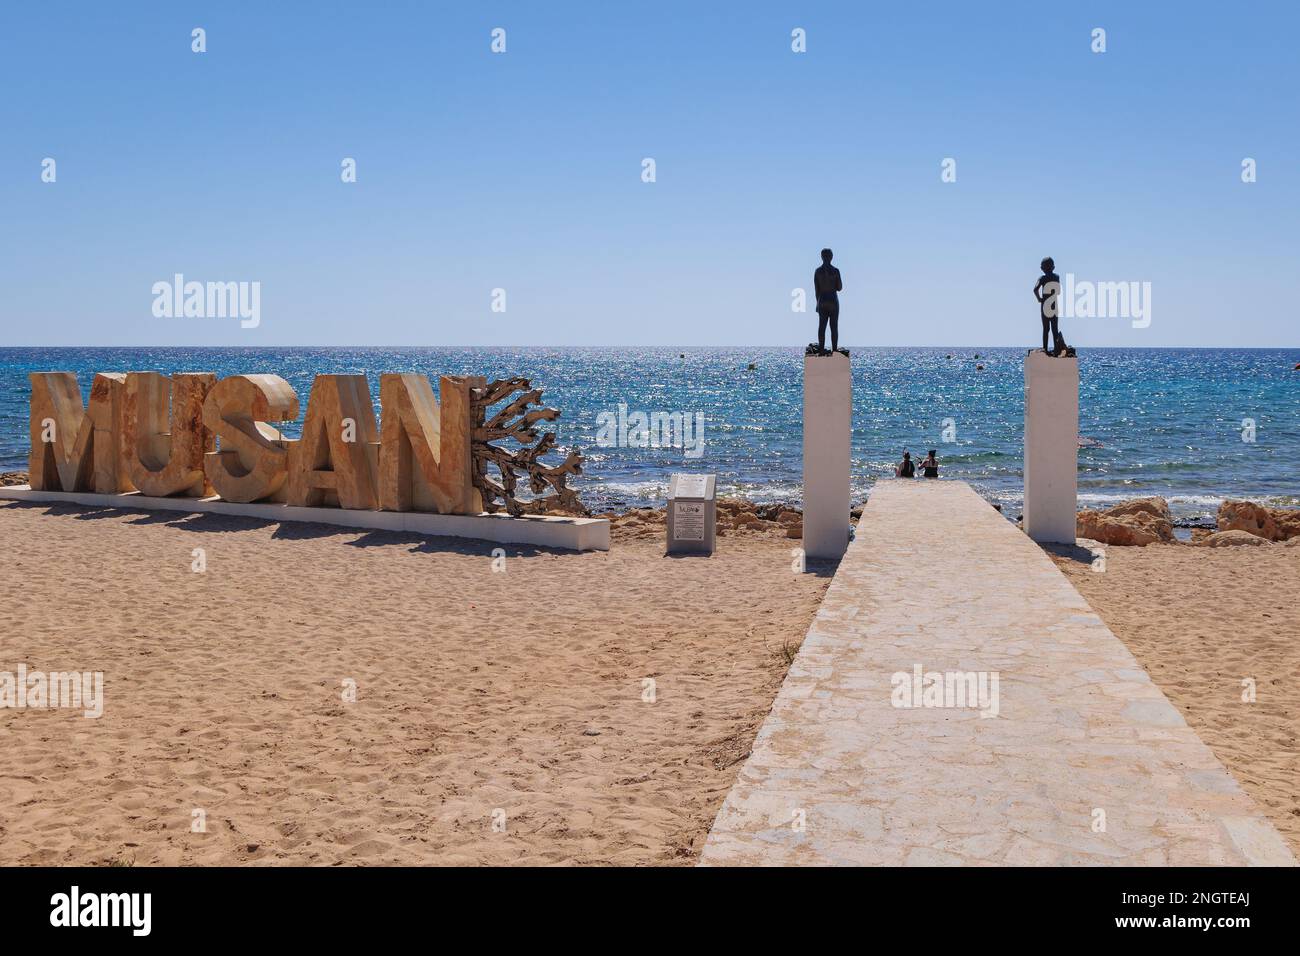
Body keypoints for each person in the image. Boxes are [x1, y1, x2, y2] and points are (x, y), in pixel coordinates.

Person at [1033, 257, 1067, 356]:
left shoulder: (1042, 278)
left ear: (1042, 268)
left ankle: (1045, 349)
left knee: (1046, 329)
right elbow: (1059, 291)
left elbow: (1035, 289)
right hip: (1054, 305)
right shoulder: (1057, 277)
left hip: (1045, 306)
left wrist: (1039, 299)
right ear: (1053, 267)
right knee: (1054, 329)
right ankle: (1057, 349)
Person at [814, 248, 843, 354]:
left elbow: (817, 290)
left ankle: (821, 348)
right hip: (833, 300)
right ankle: (834, 349)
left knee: (822, 325)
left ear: (821, 257)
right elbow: (839, 287)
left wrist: (817, 304)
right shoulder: (835, 271)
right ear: (831, 257)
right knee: (834, 326)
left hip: (822, 300)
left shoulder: (818, 271)